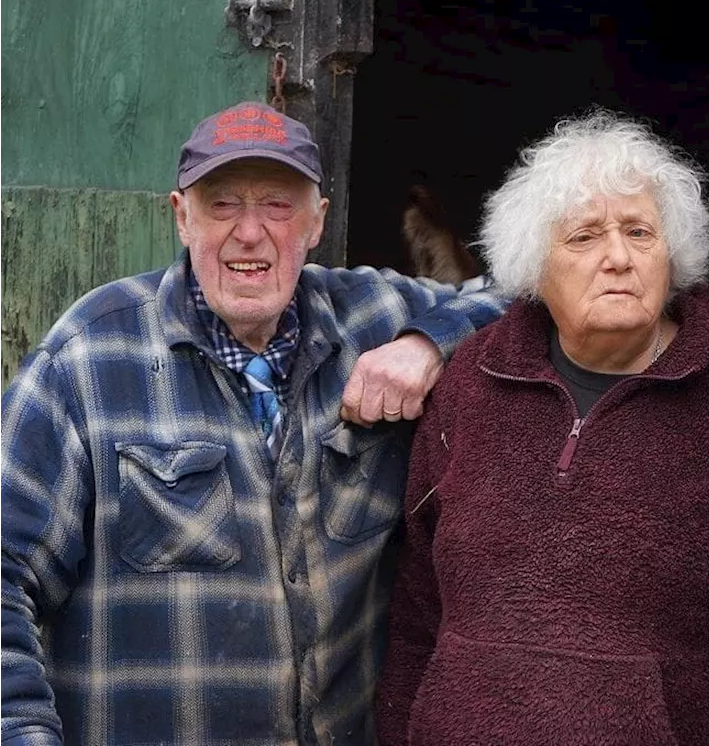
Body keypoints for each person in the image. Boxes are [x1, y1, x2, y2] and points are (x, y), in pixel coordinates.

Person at [0, 102, 506, 745]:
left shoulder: (374, 316)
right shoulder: (90, 356)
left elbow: (532, 293)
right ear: (181, 217)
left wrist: (426, 344)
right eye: (222, 205)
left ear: (318, 219)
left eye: (277, 204)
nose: (249, 233)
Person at [376, 110, 709, 745]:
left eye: (640, 232)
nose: (619, 258)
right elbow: (418, 610)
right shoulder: (472, 382)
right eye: (584, 238)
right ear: (533, 264)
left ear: (673, 254)